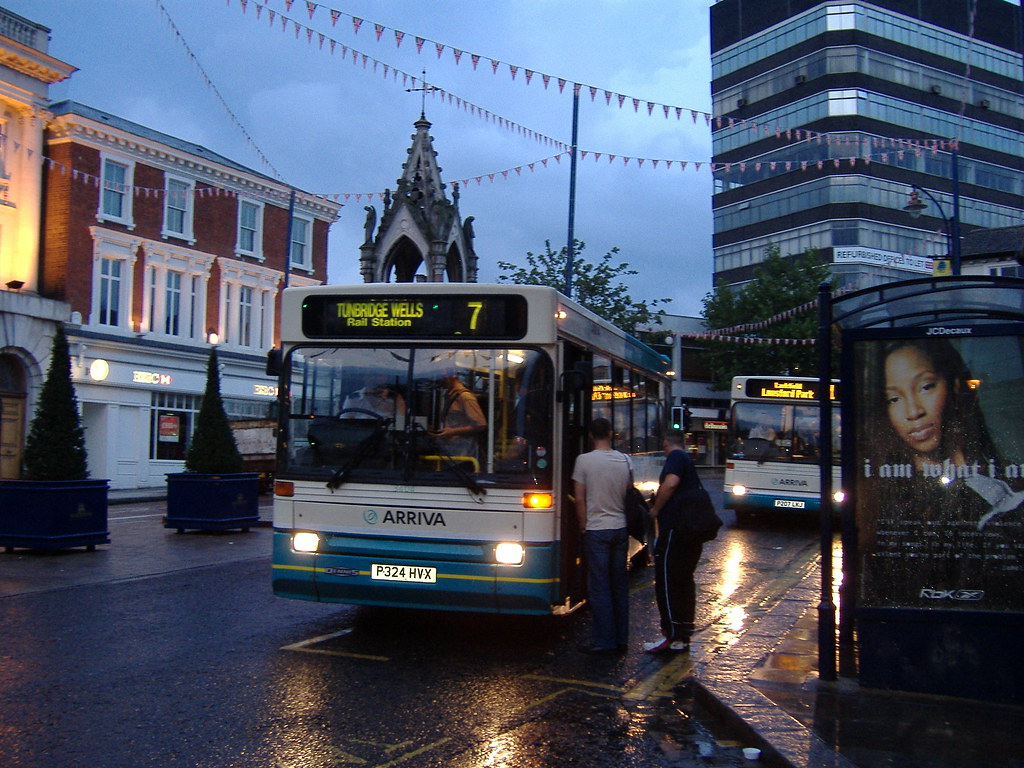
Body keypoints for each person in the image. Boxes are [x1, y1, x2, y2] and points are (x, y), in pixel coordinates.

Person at [859, 337, 1024, 611]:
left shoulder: (1004, 479)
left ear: (955, 386)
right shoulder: (882, 489)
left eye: (926, 386)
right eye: (894, 398)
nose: (913, 411)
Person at [571, 417, 632, 655]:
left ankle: (604, 640)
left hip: (596, 529)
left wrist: (583, 526)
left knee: (599, 587)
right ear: (611, 433)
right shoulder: (625, 460)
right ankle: (621, 639)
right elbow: (628, 490)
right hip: (620, 527)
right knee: (619, 585)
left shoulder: (584, 461)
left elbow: (579, 499)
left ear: (590, 436)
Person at [643, 430, 703, 654]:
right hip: (689, 533)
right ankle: (682, 636)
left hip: (675, 532)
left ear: (667, 443)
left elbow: (670, 483)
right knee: (684, 582)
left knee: (667, 582)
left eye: (664, 446)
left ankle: (670, 635)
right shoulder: (687, 460)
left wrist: (656, 509)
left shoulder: (676, 457)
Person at [432, 369, 486, 460]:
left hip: (463, 455)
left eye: (443, 377)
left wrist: (453, 432)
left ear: (453, 374)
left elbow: (481, 424)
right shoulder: (449, 396)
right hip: (449, 452)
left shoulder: (465, 397)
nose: (441, 380)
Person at [341, 375, 405, 425]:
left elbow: (401, 425)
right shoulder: (353, 398)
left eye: (380, 376)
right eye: (371, 376)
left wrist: (398, 400)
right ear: (365, 378)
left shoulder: (395, 399)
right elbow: (344, 424)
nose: (376, 379)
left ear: (385, 378)